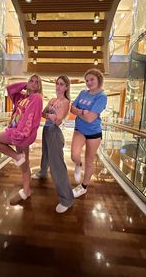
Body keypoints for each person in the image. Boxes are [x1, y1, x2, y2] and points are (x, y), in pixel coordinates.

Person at [0, 74, 43, 204]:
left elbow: (31, 117)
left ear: (40, 86)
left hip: (19, 134)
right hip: (17, 132)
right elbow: (10, 89)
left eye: (37, 82)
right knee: (25, 165)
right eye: (31, 81)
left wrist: (21, 134)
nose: (34, 83)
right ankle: (26, 190)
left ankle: (16, 157)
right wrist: (25, 85)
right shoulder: (24, 97)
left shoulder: (36, 97)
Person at [32, 75, 74, 213]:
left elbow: (59, 120)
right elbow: (44, 114)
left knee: (57, 165)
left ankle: (67, 199)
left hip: (55, 132)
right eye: (57, 83)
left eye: (62, 84)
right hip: (46, 129)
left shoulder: (66, 102)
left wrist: (51, 115)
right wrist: (50, 114)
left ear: (66, 87)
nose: (58, 86)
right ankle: (42, 172)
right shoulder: (52, 100)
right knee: (45, 155)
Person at [70, 69, 107, 198]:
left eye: (91, 79)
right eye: (87, 80)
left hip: (94, 133)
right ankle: (78, 164)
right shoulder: (82, 93)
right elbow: (72, 108)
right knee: (74, 155)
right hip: (79, 129)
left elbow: (91, 118)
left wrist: (78, 111)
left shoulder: (102, 97)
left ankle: (83, 187)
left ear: (98, 80)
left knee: (89, 161)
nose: (89, 82)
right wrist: (81, 112)